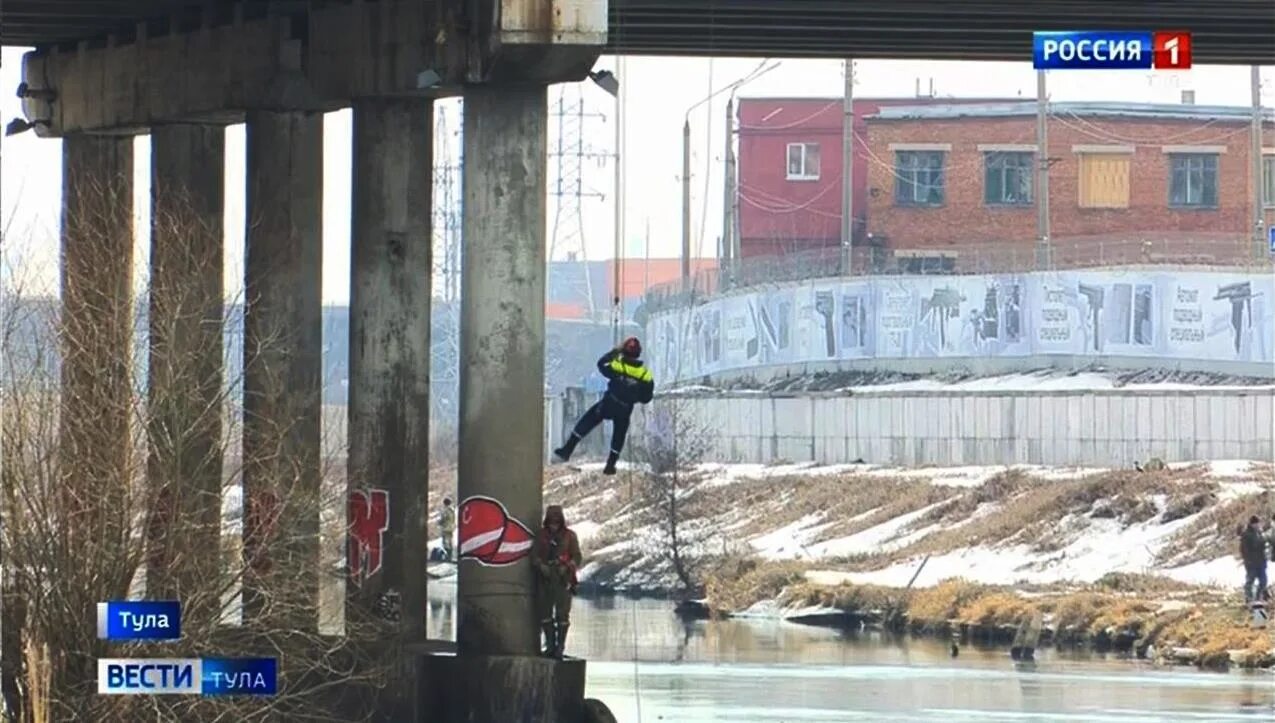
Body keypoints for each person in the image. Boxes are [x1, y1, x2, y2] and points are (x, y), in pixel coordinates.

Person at [553, 337, 654, 475]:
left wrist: (615, 351)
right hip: (625, 408)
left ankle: (567, 450)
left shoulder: (618, 365)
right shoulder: (645, 375)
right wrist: (633, 396)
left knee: (588, 420)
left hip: (609, 403)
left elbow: (601, 364)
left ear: (624, 351)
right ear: (638, 353)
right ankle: (610, 465)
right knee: (619, 434)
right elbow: (646, 398)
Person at [533, 505, 582, 658]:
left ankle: (560, 646)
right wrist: (541, 566)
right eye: (551, 519)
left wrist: (567, 566)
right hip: (545, 578)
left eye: (557, 519)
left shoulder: (570, 536)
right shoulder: (540, 536)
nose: (554, 523)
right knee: (545, 613)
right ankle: (550, 645)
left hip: (563, 579)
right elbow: (533, 556)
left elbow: (577, 557)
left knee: (562, 615)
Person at [1240, 515, 1268, 603]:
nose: (1257, 525)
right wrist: (1248, 560)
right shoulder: (1246, 534)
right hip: (1251, 563)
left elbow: (1262, 546)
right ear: (1252, 524)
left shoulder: (1259, 533)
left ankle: (1258, 597)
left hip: (1261, 562)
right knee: (1250, 581)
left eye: (1258, 523)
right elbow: (1244, 549)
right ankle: (1249, 598)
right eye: (1256, 524)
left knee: (1263, 581)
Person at [438, 497, 456, 561]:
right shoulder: (452, 510)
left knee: (445, 543)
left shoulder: (445, 510)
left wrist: (439, 522)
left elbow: (443, 519)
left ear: (444, 503)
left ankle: (447, 557)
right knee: (450, 542)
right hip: (451, 528)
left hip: (445, 528)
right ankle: (450, 556)